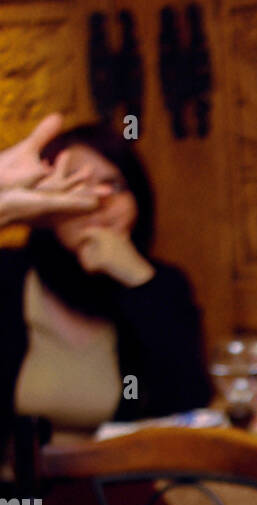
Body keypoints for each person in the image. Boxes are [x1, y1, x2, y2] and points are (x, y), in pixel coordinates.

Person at [0, 116, 211, 457]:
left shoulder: (161, 286)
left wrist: (138, 280)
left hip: (118, 498)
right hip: (16, 502)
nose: (97, 201)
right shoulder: (9, 276)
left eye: (114, 185)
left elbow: (188, 409)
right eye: (75, 184)